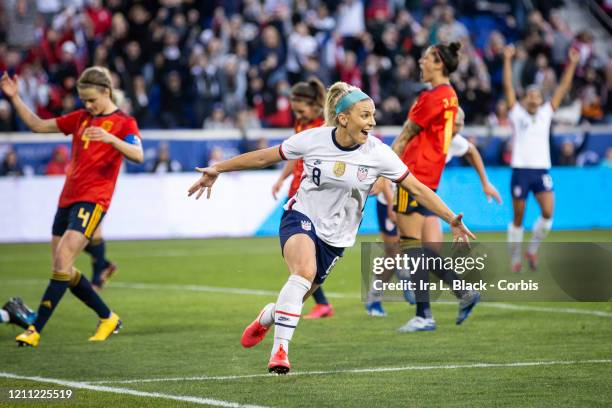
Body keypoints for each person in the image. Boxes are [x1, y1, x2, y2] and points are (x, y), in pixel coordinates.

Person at [188, 81, 475, 374]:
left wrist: (451, 218)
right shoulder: (312, 139)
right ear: (343, 118)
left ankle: (269, 315)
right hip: (301, 216)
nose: (372, 122)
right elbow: (264, 156)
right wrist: (218, 169)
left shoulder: (378, 153)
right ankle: (280, 352)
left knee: (298, 295)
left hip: (337, 237)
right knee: (303, 273)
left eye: (373, 115)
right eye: (365, 115)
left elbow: (417, 189)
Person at [0, 66, 144, 347]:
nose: (87, 105)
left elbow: (138, 154)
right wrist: (15, 98)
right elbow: (38, 126)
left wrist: (112, 139)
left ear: (106, 91)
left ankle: (34, 329)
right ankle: (108, 317)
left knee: (64, 258)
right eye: (83, 101)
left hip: (93, 201)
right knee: (61, 267)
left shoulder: (124, 123)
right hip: (66, 199)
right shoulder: (81, 119)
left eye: (92, 100)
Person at [365, 108, 502, 318]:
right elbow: (390, 160)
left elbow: (472, 151)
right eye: (453, 123)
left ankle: (446, 297)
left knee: (429, 250)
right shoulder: (423, 135)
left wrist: (485, 182)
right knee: (394, 252)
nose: (456, 127)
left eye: (459, 123)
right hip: (394, 196)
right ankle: (376, 295)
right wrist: (390, 200)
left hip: (422, 196)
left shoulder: (453, 140)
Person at [390, 42, 482, 333]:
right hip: (430, 177)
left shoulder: (430, 97)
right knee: (420, 247)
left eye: (426, 58)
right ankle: (460, 291)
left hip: (411, 175)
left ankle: (425, 313)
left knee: (410, 244)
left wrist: (383, 169)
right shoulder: (451, 97)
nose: (421, 62)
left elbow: (405, 136)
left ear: (439, 63)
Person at [503, 45, 579, 272]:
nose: (534, 100)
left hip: (541, 171)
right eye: (530, 96)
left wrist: (573, 63)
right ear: (525, 100)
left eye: (537, 96)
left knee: (548, 213)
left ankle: (532, 250)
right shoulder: (517, 114)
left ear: (540, 99)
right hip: (520, 170)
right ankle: (515, 258)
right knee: (518, 216)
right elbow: (507, 86)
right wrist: (507, 60)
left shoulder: (546, 113)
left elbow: (563, 87)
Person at [271, 78, 335, 320]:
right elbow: (292, 154)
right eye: (295, 110)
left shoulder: (325, 127)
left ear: (314, 105)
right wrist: (281, 179)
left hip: (314, 196)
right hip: (295, 194)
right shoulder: (301, 124)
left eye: (301, 109)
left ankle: (317, 303)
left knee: (311, 255)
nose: (298, 114)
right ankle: (320, 303)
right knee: (295, 252)